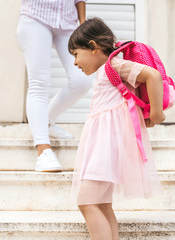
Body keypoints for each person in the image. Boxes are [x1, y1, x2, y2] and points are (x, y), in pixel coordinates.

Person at [68, 17, 163, 240]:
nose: (74, 62)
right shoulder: (107, 70)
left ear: (92, 47)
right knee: (100, 204)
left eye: (75, 54)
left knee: (87, 202)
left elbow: (153, 75)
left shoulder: (114, 65)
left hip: (106, 147)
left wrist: (157, 114)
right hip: (102, 146)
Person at [16, 0, 92, 172]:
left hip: (67, 22)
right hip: (36, 17)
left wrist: (82, 26)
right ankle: (43, 151)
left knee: (82, 80)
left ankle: (47, 122)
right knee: (39, 83)